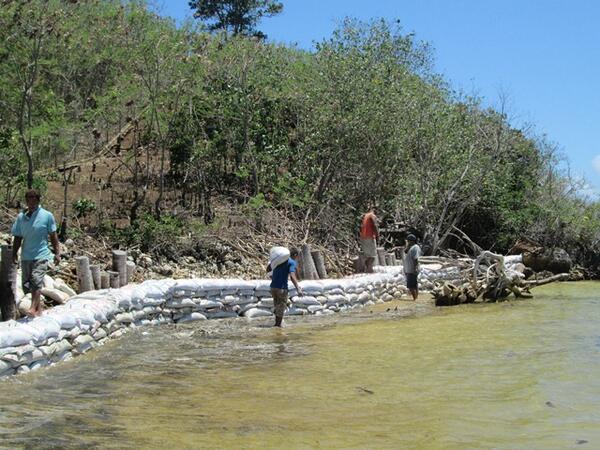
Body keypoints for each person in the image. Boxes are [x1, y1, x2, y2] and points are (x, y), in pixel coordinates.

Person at [11, 189, 61, 317]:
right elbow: (18, 237)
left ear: (38, 201)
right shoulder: (21, 217)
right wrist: (14, 253)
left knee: (36, 279)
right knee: (27, 285)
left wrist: (57, 253)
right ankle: (39, 309)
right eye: (29, 199)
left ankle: (32, 308)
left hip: (42, 254)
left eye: (34, 199)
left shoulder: (47, 216)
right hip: (26, 256)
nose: (31, 202)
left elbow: (53, 236)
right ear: (26, 201)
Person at [268, 248, 303, 327]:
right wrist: (298, 288)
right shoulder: (291, 262)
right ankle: (278, 326)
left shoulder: (278, 261)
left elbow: (268, 269)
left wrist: (274, 278)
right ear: (295, 255)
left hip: (273, 287)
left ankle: (277, 323)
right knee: (281, 307)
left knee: (277, 306)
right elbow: (292, 276)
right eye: (298, 256)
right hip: (282, 288)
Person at [359, 207, 379, 273]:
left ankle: (367, 268)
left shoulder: (365, 216)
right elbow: (375, 225)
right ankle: (369, 269)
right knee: (373, 255)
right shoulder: (372, 216)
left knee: (368, 255)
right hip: (369, 237)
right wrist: (377, 235)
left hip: (363, 237)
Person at [403, 234, 422, 300]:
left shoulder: (415, 247)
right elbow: (405, 251)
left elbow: (416, 259)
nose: (407, 242)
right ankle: (416, 298)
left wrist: (415, 269)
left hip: (412, 270)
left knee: (411, 286)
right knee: (414, 285)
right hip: (410, 270)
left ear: (411, 241)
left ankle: (415, 299)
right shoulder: (411, 247)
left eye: (408, 241)